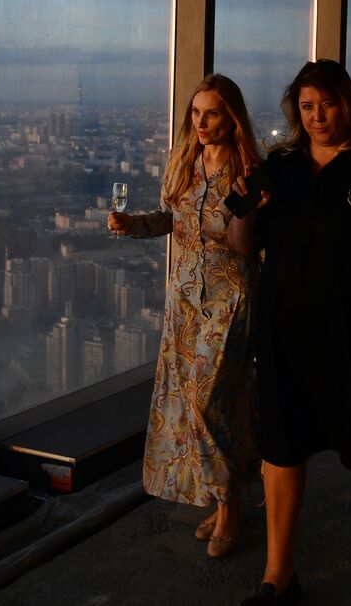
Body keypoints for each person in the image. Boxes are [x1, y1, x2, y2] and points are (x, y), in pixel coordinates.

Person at [228, 59, 351, 605]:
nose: (318, 117)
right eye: (307, 107)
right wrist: (248, 206)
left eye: (328, 104)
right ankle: (279, 576)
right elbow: (243, 244)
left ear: (348, 102)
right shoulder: (280, 166)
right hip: (285, 334)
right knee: (282, 449)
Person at [108, 74, 262, 558]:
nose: (200, 122)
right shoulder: (185, 163)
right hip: (184, 303)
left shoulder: (248, 170)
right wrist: (133, 225)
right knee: (214, 409)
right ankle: (223, 499)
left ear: (231, 116)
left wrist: (248, 203)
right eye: (195, 113)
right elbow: (169, 220)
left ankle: (232, 504)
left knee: (205, 402)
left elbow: (248, 244)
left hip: (229, 299)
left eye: (211, 113)